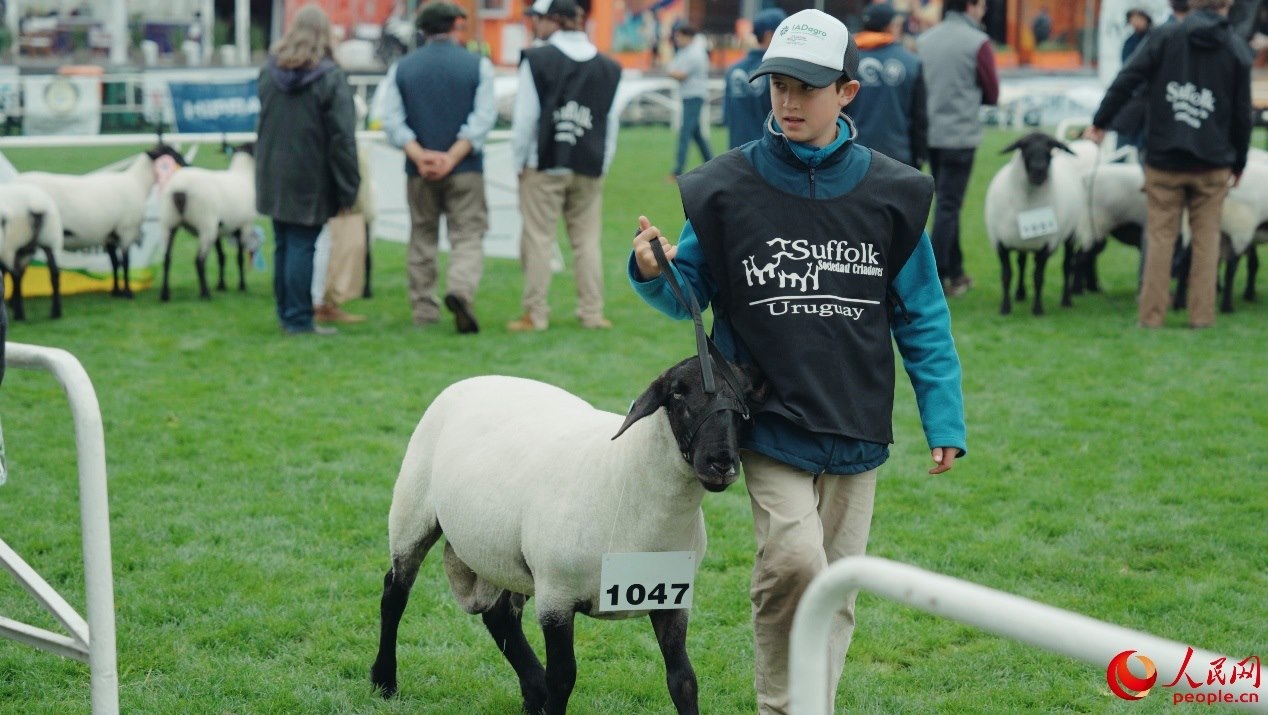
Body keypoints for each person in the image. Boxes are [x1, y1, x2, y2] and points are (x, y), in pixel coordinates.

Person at [629, 10, 966, 714]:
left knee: (836, 584)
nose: (786, 102)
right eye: (778, 85)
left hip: (857, 419)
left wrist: (945, 417)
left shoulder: (894, 194)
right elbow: (687, 292)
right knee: (793, 561)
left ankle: (815, 705)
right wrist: (652, 267)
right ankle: (780, 704)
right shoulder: (725, 187)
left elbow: (923, 315)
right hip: (767, 416)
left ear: (847, 91)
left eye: (805, 88)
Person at [1084, 0, 1252, 329]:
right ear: (1227, 4)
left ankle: (1151, 316)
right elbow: (1242, 114)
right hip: (1212, 161)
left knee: (1161, 237)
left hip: (1164, 158)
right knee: (1207, 239)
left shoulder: (1164, 37)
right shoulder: (1235, 48)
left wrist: (1101, 121)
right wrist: (1240, 160)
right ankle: (1201, 316)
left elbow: (1127, 78)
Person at [377, 1, 496, 334]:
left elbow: (392, 121)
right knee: (468, 234)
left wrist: (421, 156)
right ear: (456, 25)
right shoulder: (478, 65)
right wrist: (452, 157)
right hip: (466, 167)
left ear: (422, 30)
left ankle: (424, 309)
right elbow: (483, 118)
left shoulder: (402, 68)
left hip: (419, 171)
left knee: (422, 236)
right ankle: (460, 289)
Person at [507, 0, 622, 332]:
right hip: (589, 162)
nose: (534, 25)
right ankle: (591, 312)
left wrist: (518, 161)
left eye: (538, 18)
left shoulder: (536, 59)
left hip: (543, 161)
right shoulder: (609, 67)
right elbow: (609, 122)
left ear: (553, 20)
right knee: (586, 241)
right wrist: (604, 162)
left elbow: (526, 116)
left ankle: (536, 313)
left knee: (539, 238)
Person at [255, 4, 360, 336]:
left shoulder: (269, 72)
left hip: (273, 172)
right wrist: (349, 186)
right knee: (301, 245)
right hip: (311, 176)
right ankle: (299, 319)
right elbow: (342, 138)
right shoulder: (330, 77)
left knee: (285, 243)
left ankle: (286, 312)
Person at [917, 0, 998, 298]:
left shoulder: (924, 40)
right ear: (971, 6)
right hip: (961, 135)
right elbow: (992, 91)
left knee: (947, 205)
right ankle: (936, 278)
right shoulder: (978, 42)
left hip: (931, 134)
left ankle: (956, 270)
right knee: (949, 207)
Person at [852, 2, 928, 169]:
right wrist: (920, 156)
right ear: (889, 26)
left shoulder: (846, 60)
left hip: (853, 156)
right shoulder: (911, 62)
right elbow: (920, 117)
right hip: (899, 157)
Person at [722, 7, 786, 149]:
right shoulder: (777, 71)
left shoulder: (733, 70)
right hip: (769, 155)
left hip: (736, 155)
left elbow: (726, 117)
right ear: (770, 35)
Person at [666, 24, 714, 180]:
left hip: (694, 96)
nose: (677, 40)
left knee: (685, 133)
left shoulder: (695, 54)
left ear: (688, 36)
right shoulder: (686, 52)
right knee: (696, 134)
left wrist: (671, 71)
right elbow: (674, 69)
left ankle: (677, 171)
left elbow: (679, 74)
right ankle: (713, 164)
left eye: (679, 36)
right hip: (689, 96)